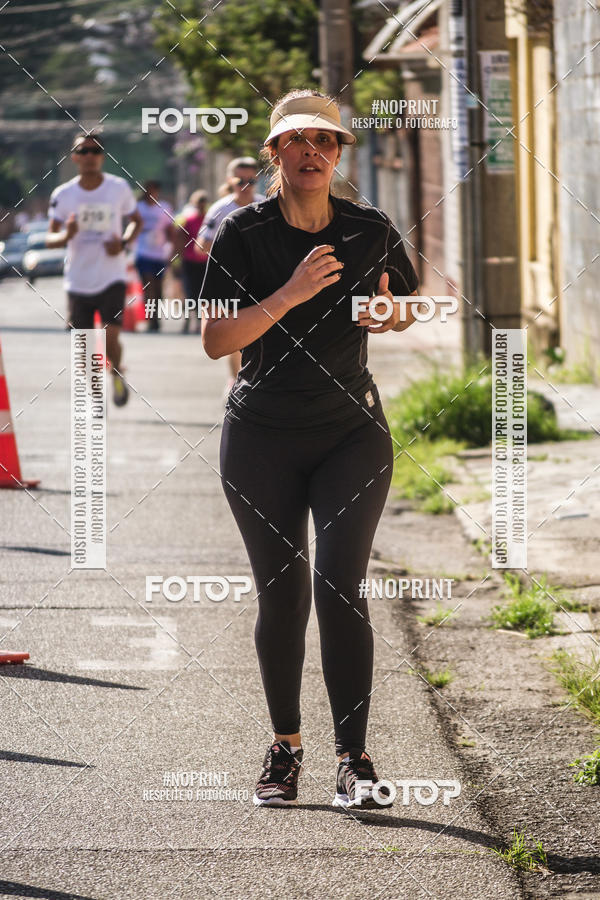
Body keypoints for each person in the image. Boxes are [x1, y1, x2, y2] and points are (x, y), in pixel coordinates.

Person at [200, 89, 422, 809]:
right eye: (296, 140)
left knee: (340, 586)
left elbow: (404, 303)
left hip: (350, 431)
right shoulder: (243, 232)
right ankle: (285, 745)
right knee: (283, 591)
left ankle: (353, 756)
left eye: (325, 142)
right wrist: (291, 293)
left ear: (338, 154)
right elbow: (216, 341)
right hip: (261, 435)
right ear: (274, 153)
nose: (311, 153)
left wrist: (392, 314)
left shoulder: (369, 228)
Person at [47, 131, 142, 406]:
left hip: (112, 275)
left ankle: (116, 371)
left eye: (95, 151)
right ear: (75, 157)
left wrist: (123, 242)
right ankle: (95, 394)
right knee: (85, 347)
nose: (90, 156)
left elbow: (136, 221)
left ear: (103, 156)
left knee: (111, 339)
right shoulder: (63, 194)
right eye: (84, 151)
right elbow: (50, 240)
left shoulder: (118, 188)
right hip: (77, 280)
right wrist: (67, 234)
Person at [197, 158, 265, 392]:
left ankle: (255, 379)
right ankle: (237, 381)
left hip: (259, 280)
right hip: (229, 281)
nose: (246, 186)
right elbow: (201, 244)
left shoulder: (264, 206)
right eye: (240, 181)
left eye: (251, 180)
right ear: (230, 181)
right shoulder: (220, 209)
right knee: (234, 334)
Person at [135, 181, 175, 333]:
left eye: (155, 190)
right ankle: (151, 319)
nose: (152, 194)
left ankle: (156, 317)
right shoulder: (139, 208)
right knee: (149, 287)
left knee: (158, 289)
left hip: (159, 254)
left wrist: (171, 250)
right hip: (143, 252)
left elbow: (170, 230)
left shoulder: (164, 208)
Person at [176, 190, 209, 333]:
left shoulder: (210, 220)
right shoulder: (188, 220)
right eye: (199, 203)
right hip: (190, 260)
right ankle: (188, 320)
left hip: (206, 261)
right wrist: (177, 259)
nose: (201, 206)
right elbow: (180, 240)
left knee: (204, 293)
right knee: (190, 292)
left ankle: (201, 322)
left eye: (203, 203)